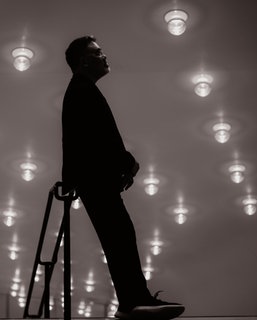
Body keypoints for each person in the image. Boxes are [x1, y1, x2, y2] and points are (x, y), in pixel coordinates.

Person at [61, 35, 185, 320]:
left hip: (91, 179)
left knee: (119, 236)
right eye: (97, 52)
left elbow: (80, 139)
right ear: (83, 60)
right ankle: (133, 301)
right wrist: (125, 162)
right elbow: (100, 137)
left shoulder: (79, 89)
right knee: (120, 236)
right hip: (95, 180)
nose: (104, 56)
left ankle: (133, 299)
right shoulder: (83, 90)